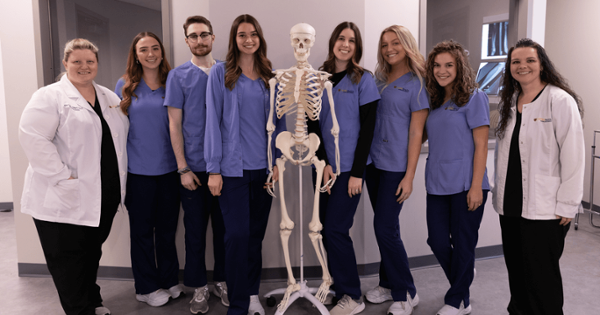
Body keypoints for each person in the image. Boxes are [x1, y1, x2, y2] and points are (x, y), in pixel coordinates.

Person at [19, 38, 129, 315]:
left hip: (101, 195)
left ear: (97, 64)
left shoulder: (109, 97)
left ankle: (92, 301)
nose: (84, 66)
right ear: (66, 63)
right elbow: (33, 138)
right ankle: (79, 309)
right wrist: (62, 176)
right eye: (77, 61)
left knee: (91, 254)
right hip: (60, 197)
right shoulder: (49, 96)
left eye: (90, 61)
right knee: (67, 261)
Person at [493, 38, 584, 315]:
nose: (523, 66)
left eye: (530, 60)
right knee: (517, 272)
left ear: (542, 64)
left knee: (541, 278)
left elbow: (573, 155)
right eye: (516, 61)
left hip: (545, 210)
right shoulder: (510, 101)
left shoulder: (559, 100)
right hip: (509, 206)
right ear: (510, 67)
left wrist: (568, 204)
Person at [204, 14, 285, 315]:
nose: (248, 39)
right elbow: (212, 121)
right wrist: (213, 168)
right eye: (242, 35)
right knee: (236, 236)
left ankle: (251, 294)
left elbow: (280, 123)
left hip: (263, 171)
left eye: (253, 34)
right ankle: (237, 305)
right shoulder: (220, 73)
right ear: (234, 39)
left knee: (254, 236)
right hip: (231, 169)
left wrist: (277, 162)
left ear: (259, 38)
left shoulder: (270, 76)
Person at [310, 21, 380, 315]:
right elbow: (313, 124)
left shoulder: (364, 79)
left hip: (350, 169)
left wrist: (357, 175)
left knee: (337, 229)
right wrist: (323, 163)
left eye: (352, 40)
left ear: (357, 47)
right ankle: (337, 286)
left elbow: (368, 130)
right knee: (325, 230)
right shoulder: (317, 77)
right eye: (341, 38)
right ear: (333, 42)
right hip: (323, 169)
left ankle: (352, 295)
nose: (346, 44)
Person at [164, 15, 228, 314]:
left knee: (226, 230)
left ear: (213, 38)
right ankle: (199, 287)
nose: (200, 40)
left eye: (205, 35)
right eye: (194, 36)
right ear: (186, 40)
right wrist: (183, 168)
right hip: (194, 169)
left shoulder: (228, 72)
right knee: (194, 231)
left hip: (227, 167)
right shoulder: (178, 76)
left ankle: (224, 281)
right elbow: (174, 124)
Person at [363, 25, 428, 315]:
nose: (390, 49)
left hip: (396, 167)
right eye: (385, 44)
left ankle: (406, 291)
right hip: (373, 163)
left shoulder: (418, 83)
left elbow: (417, 133)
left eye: (396, 43)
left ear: (407, 45)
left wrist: (410, 176)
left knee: (384, 227)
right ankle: (387, 283)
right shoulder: (377, 78)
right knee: (387, 226)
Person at [114, 32, 180, 308]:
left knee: (167, 230)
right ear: (136, 54)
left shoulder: (172, 83)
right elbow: (117, 130)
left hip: (169, 170)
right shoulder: (125, 86)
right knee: (142, 233)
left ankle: (168, 279)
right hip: (138, 173)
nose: (150, 54)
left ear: (162, 52)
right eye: (144, 50)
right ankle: (146, 287)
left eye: (155, 48)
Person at [424, 40, 490, 315]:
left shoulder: (474, 97)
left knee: (463, 243)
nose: (442, 70)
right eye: (437, 65)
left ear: (459, 66)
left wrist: (476, 187)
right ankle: (462, 275)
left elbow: (482, 144)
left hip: (466, 184)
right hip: (437, 183)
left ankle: (457, 301)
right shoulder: (435, 101)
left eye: (448, 65)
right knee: (437, 241)